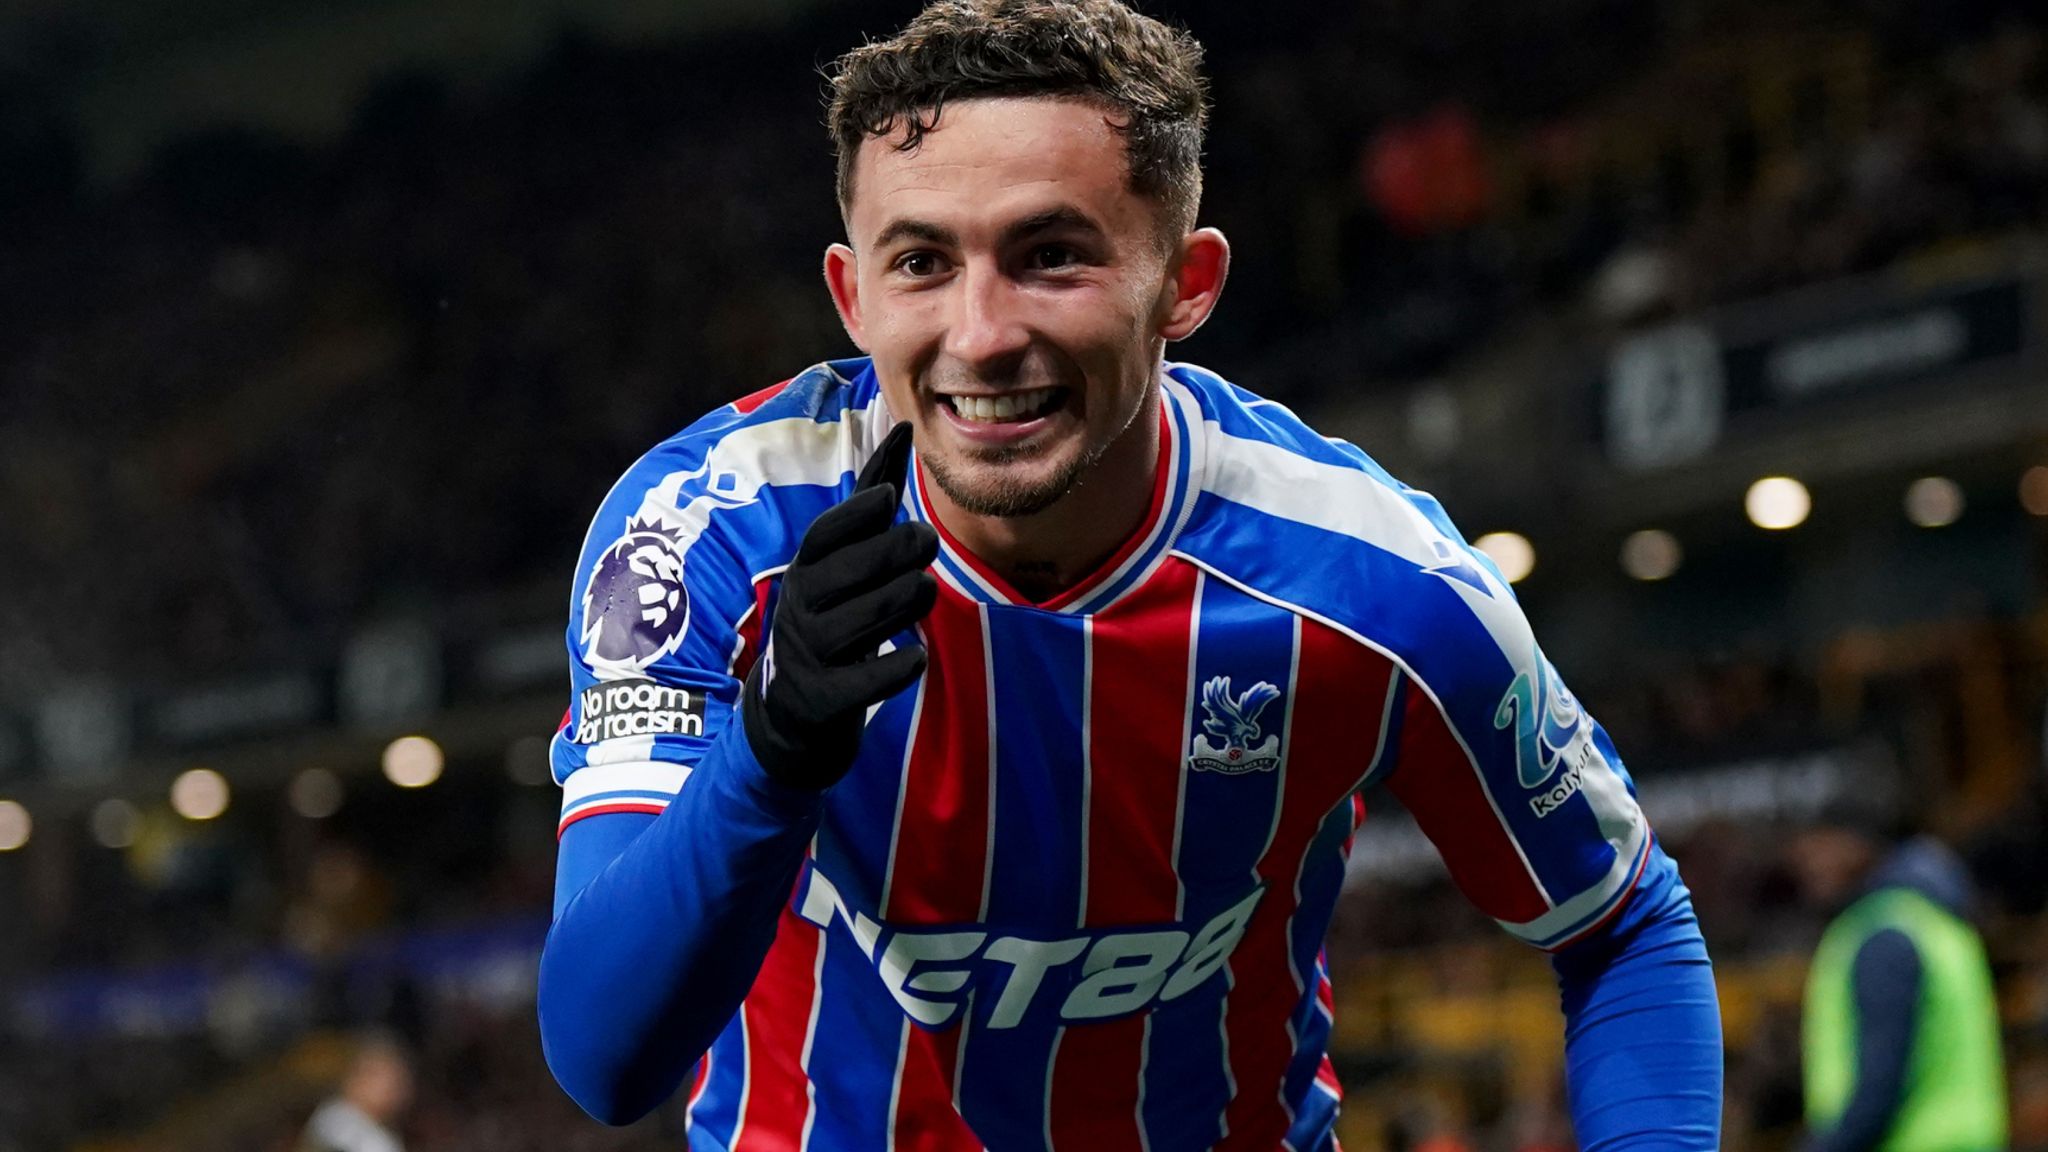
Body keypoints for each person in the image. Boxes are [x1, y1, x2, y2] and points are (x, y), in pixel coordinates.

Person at [537, 1, 1722, 1147]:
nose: (981, 334)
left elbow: (1620, 925)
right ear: (851, 296)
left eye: (1050, 256)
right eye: (921, 262)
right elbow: (603, 1059)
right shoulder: (705, 538)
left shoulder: (1375, 581)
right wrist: (769, 752)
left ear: (1184, 283)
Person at [1791, 802, 2008, 1152]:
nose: (1808, 863)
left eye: (1821, 846)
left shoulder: (1885, 933)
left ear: (1860, 845)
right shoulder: (1935, 920)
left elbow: (1881, 1085)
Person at [298, 1034, 413, 1152]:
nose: (396, 1089)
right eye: (388, 1079)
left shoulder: (382, 1131)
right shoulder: (336, 1120)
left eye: (399, 1081)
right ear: (359, 1077)